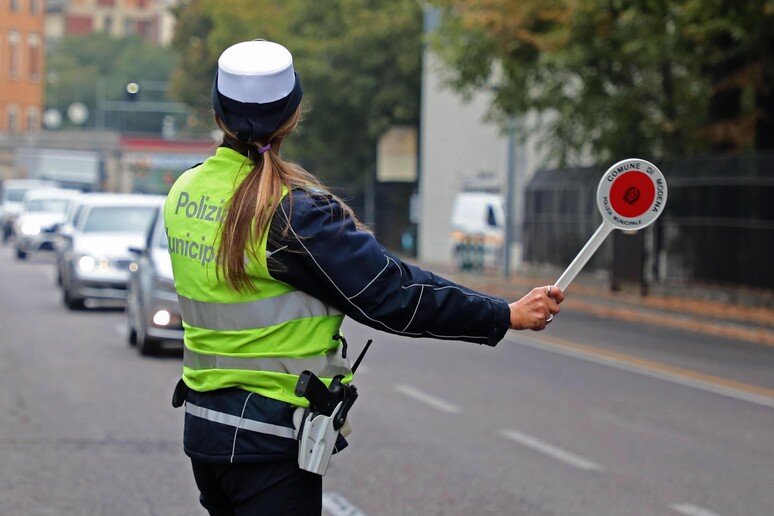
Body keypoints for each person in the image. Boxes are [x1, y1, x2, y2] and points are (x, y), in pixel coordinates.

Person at [164, 39, 564, 516]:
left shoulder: (185, 190)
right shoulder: (290, 213)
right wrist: (505, 315)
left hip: (205, 432)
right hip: (267, 443)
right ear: (293, 115)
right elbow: (393, 295)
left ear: (217, 112)